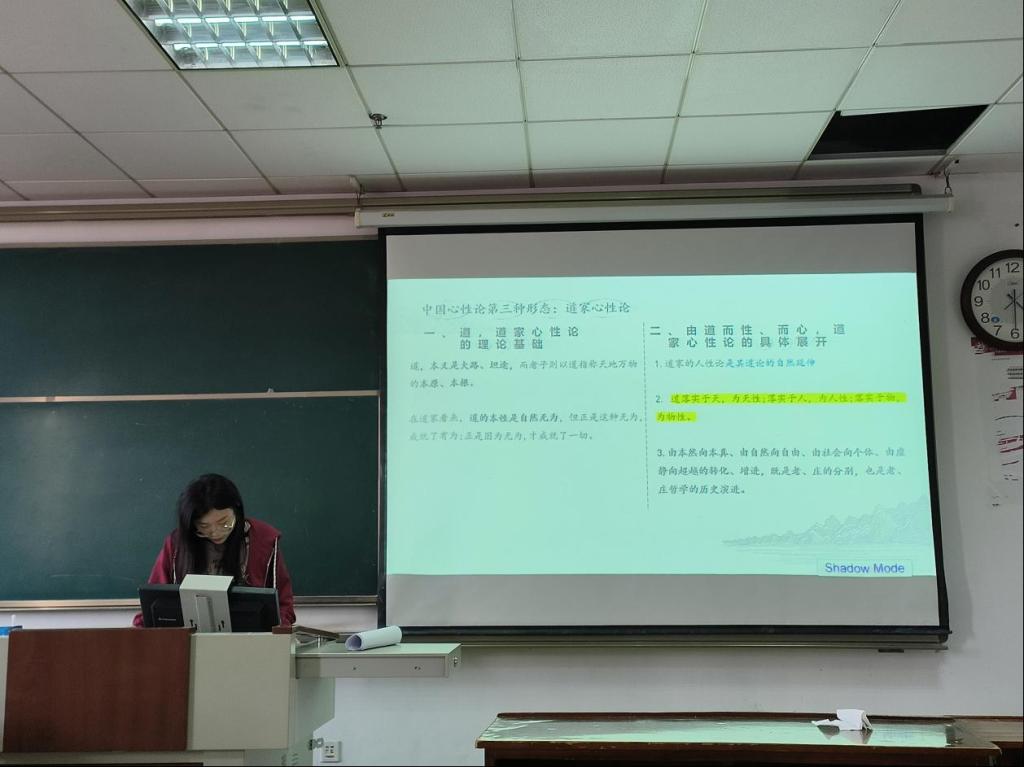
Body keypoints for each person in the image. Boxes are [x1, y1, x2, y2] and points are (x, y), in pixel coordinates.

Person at [133, 473, 295, 627]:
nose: (215, 532)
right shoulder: (177, 544)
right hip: (187, 637)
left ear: (237, 511)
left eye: (224, 523)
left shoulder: (263, 540)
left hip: (250, 637)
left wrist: (278, 629)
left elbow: (283, 605)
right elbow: (153, 601)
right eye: (203, 527)